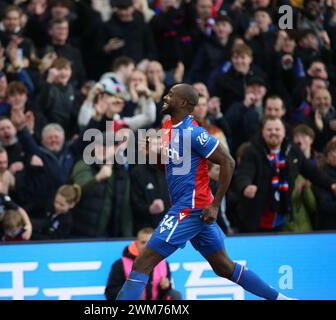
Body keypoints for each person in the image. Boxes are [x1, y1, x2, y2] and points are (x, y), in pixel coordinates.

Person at [116, 84, 293, 300]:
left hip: (191, 207)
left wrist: (216, 204)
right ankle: (282, 299)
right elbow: (177, 166)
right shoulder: (170, 130)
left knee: (143, 261)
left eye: (171, 95)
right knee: (224, 267)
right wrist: (156, 156)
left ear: (182, 103)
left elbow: (227, 161)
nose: (165, 96)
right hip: (195, 207)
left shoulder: (194, 133)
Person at [106, 227, 182, 300]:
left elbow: (163, 293)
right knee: (137, 293)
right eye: (143, 242)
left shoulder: (164, 263)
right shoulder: (120, 264)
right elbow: (109, 293)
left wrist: (166, 287)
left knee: (175, 294)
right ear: (136, 243)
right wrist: (129, 289)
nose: (146, 246)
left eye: (150, 242)